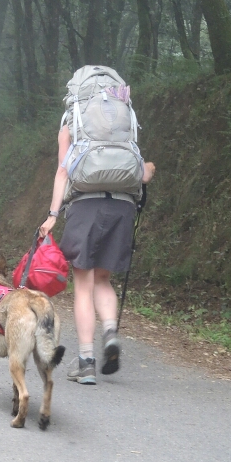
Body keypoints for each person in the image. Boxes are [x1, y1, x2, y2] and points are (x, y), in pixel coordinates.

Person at [39, 113, 155, 386]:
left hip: (86, 207)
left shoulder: (72, 125)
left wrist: (53, 214)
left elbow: (63, 171)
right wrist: (150, 166)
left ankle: (87, 362)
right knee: (103, 278)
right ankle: (111, 332)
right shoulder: (123, 129)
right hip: (122, 208)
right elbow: (144, 175)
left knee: (83, 285)